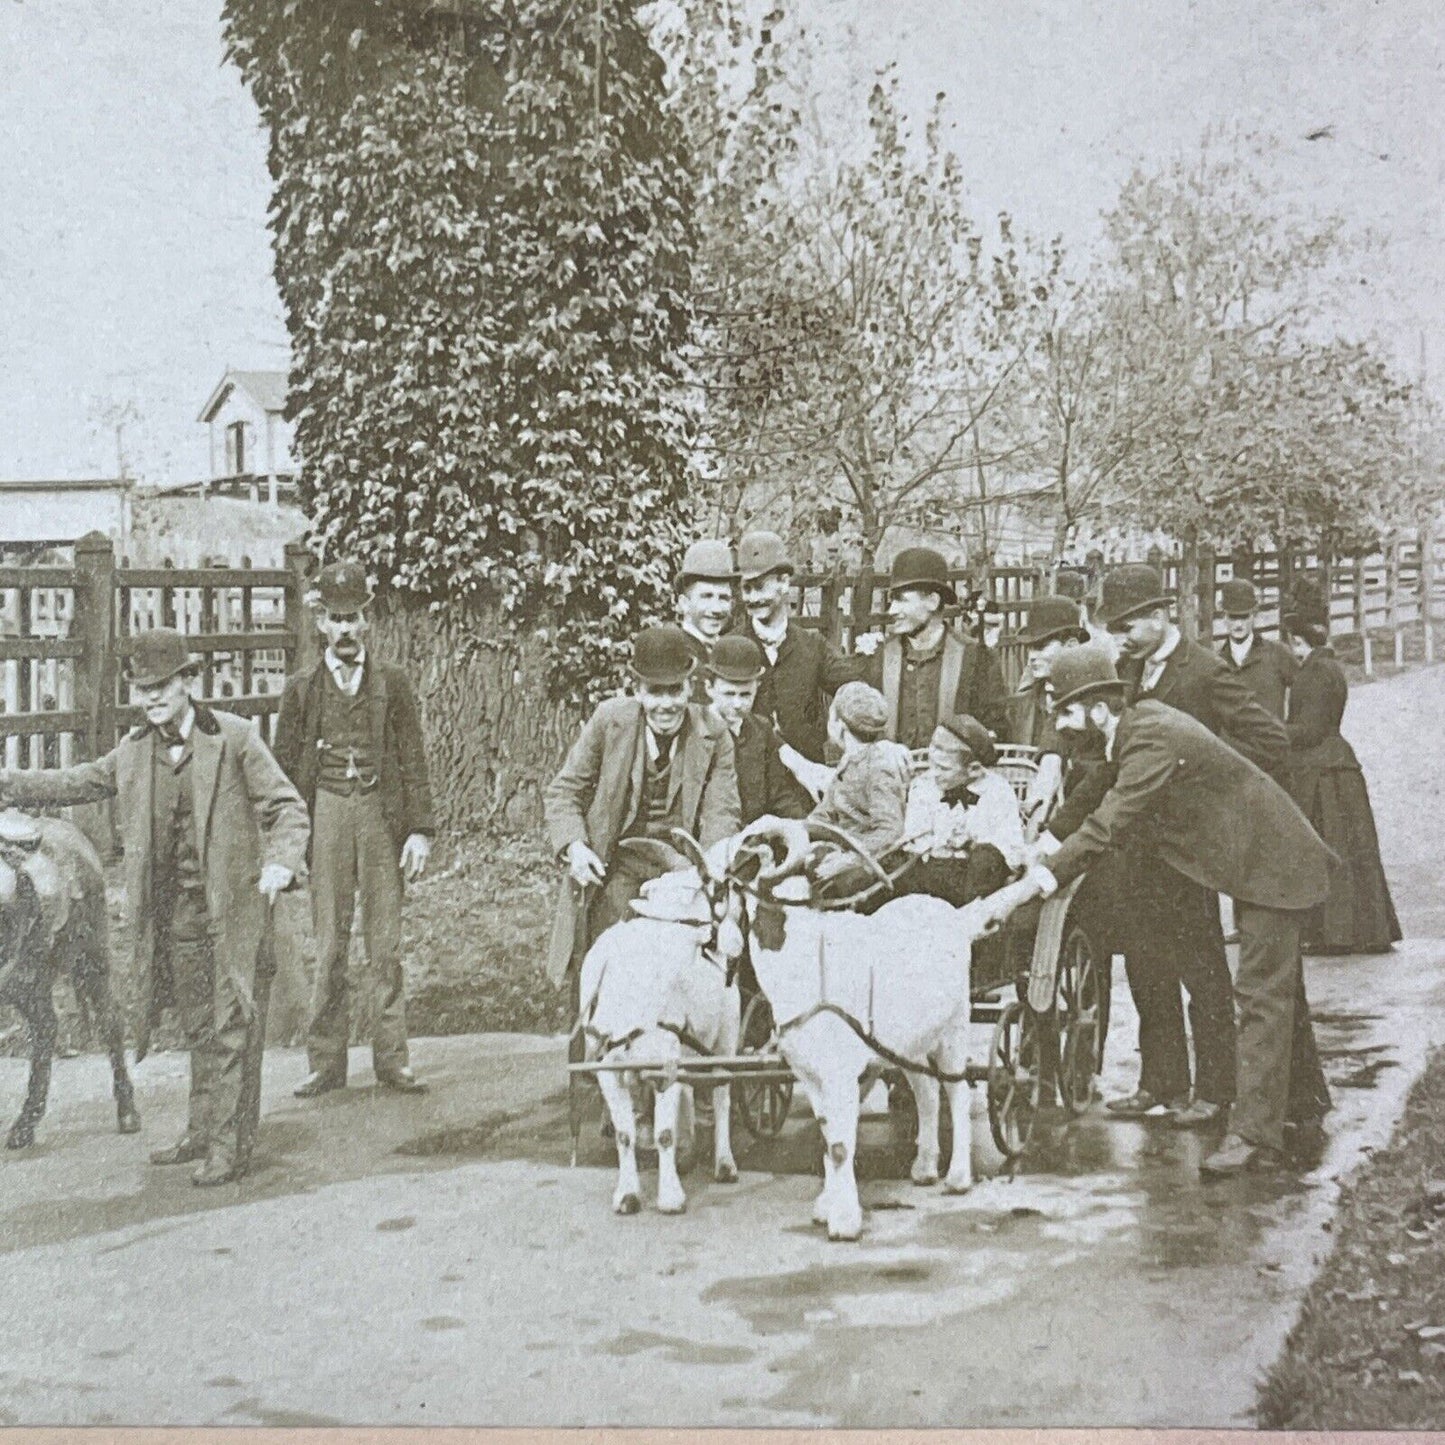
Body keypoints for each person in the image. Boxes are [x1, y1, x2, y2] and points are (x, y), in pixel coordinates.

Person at [987, 644, 1336, 1176]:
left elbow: (1108, 826)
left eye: (1064, 712)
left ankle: (1255, 1137)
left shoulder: (1149, 739)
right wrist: (1042, 844)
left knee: (1262, 993)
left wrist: (1030, 886)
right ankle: (1305, 1104)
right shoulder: (1131, 730)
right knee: (1278, 987)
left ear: (1097, 709)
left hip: (1273, 863)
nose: (1058, 724)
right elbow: (1094, 794)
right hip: (1255, 859)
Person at [0, 629, 309, 1185]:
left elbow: (287, 806)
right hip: (176, 919)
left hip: (234, 911)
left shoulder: (235, 739)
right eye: (143, 689)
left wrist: (282, 862)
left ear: (189, 681)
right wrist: (7, 782)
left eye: (162, 685)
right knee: (197, 1026)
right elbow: (78, 781)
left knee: (232, 1026)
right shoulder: (136, 751)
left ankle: (229, 1147)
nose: (152, 698)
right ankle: (200, 1128)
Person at [1093, 563, 1289, 1128]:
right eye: (1116, 626)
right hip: (1138, 847)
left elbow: (1268, 740)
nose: (1121, 636)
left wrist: (1214, 796)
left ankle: (1216, 1091)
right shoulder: (1129, 669)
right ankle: (1161, 1083)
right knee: (1145, 965)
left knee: (1201, 968)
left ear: (1161, 615)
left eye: (1129, 623)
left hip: (1190, 853)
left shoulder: (1206, 671)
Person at [273, 560, 437, 1098]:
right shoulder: (301, 689)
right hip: (327, 814)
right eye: (335, 619)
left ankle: (392, 1059)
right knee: (330, 943)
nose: (345, 629)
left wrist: (418, 830)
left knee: (385, 943)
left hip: (378, 816)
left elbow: (413, 760)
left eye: (354, 617)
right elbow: (283, 770)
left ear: (367, 619)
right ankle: (325, 1061)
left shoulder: (393, 683)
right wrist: (291, 844)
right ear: (320, 621)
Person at [543, 623, 742, 988]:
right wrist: (576, 847)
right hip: (614, 865)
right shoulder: (610, 720)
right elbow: (564, 791)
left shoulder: (713, 732)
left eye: (674, 691)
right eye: (655, 692)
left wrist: (708, 868)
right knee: (606, 972)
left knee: (681, 975)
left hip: (679, 873)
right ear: (637, 690)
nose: (665, 704)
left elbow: (722, 811)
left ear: (690, 687)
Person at [1280, 580, 1401, 956]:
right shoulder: (1329, 666)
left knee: (1330, 848)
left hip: (1323, 771)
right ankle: (1360, 929)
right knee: (1351, 848)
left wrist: (1273, 729)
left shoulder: (1315, 671)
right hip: (1336, 765)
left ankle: (1334, 933)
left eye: (1292, 643)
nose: (1291, 650)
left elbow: (1310, 730)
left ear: (1300, 641)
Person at [855, 546, 1010, 745]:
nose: (892, 610)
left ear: (932, 601)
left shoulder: (975, 658)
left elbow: (996, 731)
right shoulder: (879, 657)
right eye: (892, 600)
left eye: (901, 600)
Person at [729, 530, 855, 763]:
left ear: (784, 583)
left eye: (760, 587)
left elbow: (852, 685)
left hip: (803, 787)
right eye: (747, 589)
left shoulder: (812, 646)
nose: (753, 598)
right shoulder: (732, 647)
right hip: (749, 783)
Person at [902, 713, 1022, 905]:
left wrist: (972, 843)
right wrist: (936, 843)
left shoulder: (998, 790)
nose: (933, 774)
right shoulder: (923, 786)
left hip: (976, 878)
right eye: (931, 764)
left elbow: (1013, 851)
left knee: (986, 859)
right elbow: (913, 840)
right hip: (934, 872)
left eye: (943, 768)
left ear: (973, 769)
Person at [703, 635, 813, 826]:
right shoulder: (696, 730)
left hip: (756, 836)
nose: (737, 704)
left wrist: (805, 828)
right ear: (709, 688)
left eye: (745, 695)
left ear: (757, 687)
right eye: (729, 694)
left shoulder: (760, 729)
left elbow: (779, 795)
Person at [809, 681, 910, 874]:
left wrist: (850, 856)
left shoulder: (878, 767)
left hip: (868, 867)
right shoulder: (850, 762)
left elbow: (890, 830)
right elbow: (825, 814)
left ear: (840, 725)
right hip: (842, 854)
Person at [1217, 578, 1297, 720]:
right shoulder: (1216, 663)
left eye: (1244, 616)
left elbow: (1307, 692)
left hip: (1270, 740)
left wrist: (1290, 732)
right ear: (1224, 616)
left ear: (1254, 615)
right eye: (1233, 617)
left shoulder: (1278, 654)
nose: (1238, 624)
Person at [673, 540, 737, 695]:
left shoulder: (732, 652)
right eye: (706, 596)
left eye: (723, 598)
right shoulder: (673, 653)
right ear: (684, 604)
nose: (716, 609)